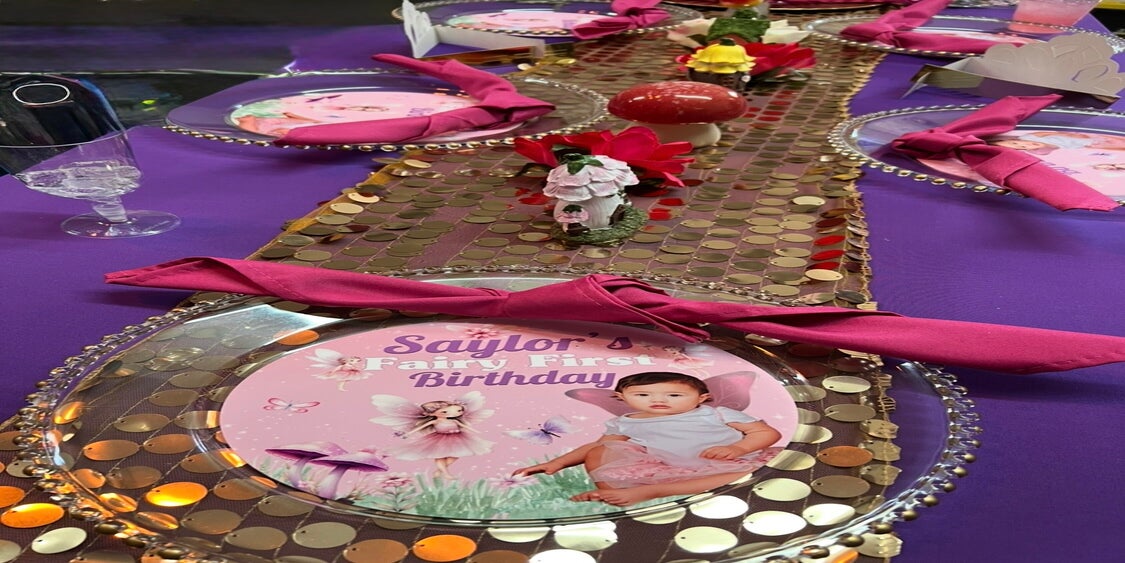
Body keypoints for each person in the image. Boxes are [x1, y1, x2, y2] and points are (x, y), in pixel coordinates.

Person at [513, 371, 782, 507]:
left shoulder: (716, 413)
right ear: (621, 398)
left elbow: (766, 433)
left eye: (674, 395)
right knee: (601, 450)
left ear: (702, 398)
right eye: (643, 395)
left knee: (755, 472)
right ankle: (615, 491)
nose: (658, 400)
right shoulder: (625, 421)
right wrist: (557, 463)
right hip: (674, 468)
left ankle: (651, 492)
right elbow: (598, 447)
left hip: (735, 463)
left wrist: (737, 448)